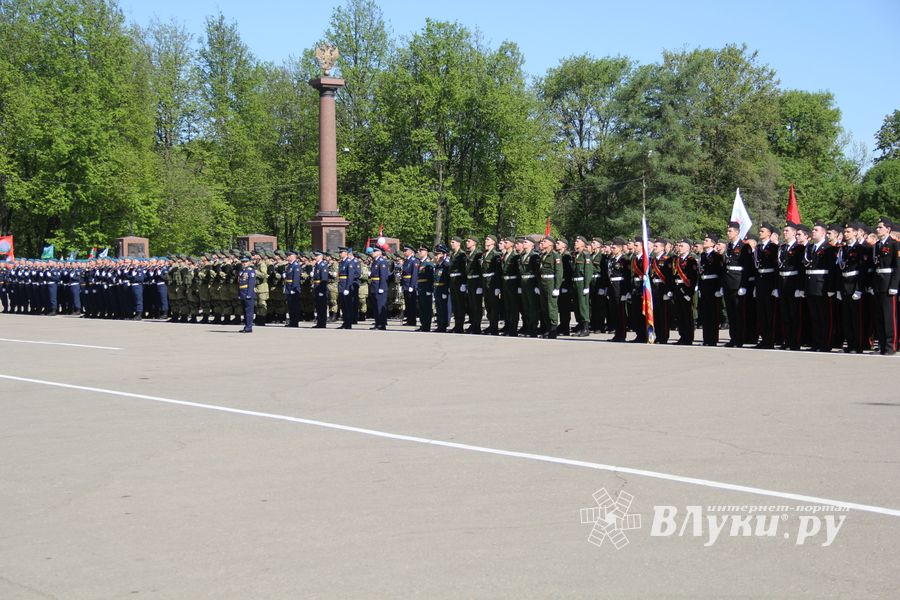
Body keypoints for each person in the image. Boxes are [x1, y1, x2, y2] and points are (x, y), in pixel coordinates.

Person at [803, 222, 835, 351]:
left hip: (822, 286)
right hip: (811, 286)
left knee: (824, 317)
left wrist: (831, 288)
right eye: (813, 230)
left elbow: (832, 270)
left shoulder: (829, 248)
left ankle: (825, 344)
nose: (813, 232)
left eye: (816, 230)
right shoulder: (809, 248)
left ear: (823, 232)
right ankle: (816, 343)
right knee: (814, 317)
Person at [871, 217, 899, 355]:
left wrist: (894, 285)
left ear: (888, 229)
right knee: (879, 316)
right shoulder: (876, 245)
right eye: (877, 227)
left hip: (888, 283)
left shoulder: (894, 244)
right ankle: (881, 345)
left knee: (889, 317)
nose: (877, 229)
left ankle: (890, 346)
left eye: (880, 227)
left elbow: (897, 267)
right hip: (878, 283)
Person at [723, 221, 753, 347]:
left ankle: (740, 339)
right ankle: (733, 338)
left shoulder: (744, 247)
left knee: (739, 313)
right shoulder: (728, 246)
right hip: (728, 283)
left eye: (730, 231)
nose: (728, 233)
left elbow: (747, 267)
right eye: (728, 230)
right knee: (731, 313)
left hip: (738, 282)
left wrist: (744, 285)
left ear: (737, 232)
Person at [754, 223, 780, 349]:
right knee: (761, 313)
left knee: (770, 312)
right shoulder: (758, 248)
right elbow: (756, 268)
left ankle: (770, 339)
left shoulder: (774, 248)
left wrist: (776, 286)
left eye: (762, 231)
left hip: (770, 281)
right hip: (760, 281)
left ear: (769, 233)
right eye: (760, 231)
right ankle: (763, 338)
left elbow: (776, 268)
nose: (760, 233)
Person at [699, 234, 725, 346]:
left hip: (713, 286)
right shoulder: (703, 255)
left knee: (713, 314)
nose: (704, 242)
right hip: (704, 285)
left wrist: (720, 288)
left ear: (713, 243)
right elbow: (700, 272)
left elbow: (721, 273)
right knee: (705, 313)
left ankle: (713, 339)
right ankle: (706, 339)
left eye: (706, 240)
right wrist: (699, 287)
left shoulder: (717, 256)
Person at [537, 235, 563, 339]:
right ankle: (547, 329)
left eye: (545, 242)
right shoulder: (543, 255)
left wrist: (557, 287)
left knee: (551, 307)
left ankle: (553, 330)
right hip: (543, 282)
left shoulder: (555, 255)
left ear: (550, 244)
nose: (542, 243)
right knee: (544, 307)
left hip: (551, 282)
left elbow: (559, 272)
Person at [571, 236, 593, 337]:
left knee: (583, 306)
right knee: (576, 306)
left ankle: (585, 328)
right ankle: (580, 326)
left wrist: (586, 286)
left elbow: (588, 272)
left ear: (583, 244)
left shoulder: (585, 255)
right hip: (575, 283)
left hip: (582, 282)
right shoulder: (576, 255)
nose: (575, 243)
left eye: (577, 241)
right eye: (575, 241)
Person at [481, 235, 502, 335]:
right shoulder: (484, 254)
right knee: (488, 305)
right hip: (485, 281)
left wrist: (497, 286)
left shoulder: (495, 254)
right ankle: (491, 324)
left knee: (494, 306)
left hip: (492, 282)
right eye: (485, 239)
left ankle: (494, 327)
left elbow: (498, 272)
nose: (485, 241)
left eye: (488, 240)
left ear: (493, 242)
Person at [463, 235, 483, 334]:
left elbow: (480, 270)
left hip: (476, 281)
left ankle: (477, 326)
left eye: (469, 241)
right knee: (471, 305)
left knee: (477, 305)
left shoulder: (478, 254)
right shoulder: (469, 254)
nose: (467, 242)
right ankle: (473, 324)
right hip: (470, 281)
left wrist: (479, 285)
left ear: (474, 243)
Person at [448, 237, 467, 333]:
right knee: (455, 305)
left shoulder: (462, 254)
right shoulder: (452, 254)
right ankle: (456, 325)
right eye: (451, 242)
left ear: (459, 243)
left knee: (460, 305)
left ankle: (460, 326)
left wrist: (463, 283)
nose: (451, 244)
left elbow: (464, 270)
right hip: (453, 281)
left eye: (453, 242)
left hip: (459, 281)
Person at [337, 247, 360, 330]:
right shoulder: (342, 262)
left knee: (348, 306)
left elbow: (350, 276)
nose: (340, 254)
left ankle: (348, 323)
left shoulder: (349, 262)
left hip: (346, 286)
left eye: (341, 252)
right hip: (341, 285)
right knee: (343, 305)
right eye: (339, 253)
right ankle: (345, 322)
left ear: (346, 253)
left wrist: (347, 288)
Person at [369, 245, 389, 330]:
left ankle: (382, 324)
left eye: (375, 251)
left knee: (380, 306)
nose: (373, 253)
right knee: (376, 306)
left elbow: (383, 276)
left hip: (379, 286)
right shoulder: (375, 261)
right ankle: (377, 323)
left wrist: (381, 287)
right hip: (374, 285)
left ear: (379, 252)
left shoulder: (382, 261)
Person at [415, 245, 435, 332]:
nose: (420, 252)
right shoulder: (421, 262)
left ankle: (426, 326)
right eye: (419, 251)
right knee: (422, 307)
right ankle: (423, 324)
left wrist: (428, 290)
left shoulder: (428, 263)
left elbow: (430, 278)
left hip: (425, 288)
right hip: (420, 287)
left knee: (426, 308)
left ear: (426, 252)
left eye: (422, 251)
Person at [433, 245, 451, 332]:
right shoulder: (438, 266)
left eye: (438, 254)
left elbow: (447, 279)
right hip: (437, 289)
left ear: (444, 254)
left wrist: (445, 291)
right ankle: (440, 325)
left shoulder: (446, 265)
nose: (436, 256)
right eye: (435, 254)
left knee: (443, 308)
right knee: (438, 308)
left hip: (443, 288)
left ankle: (443, 325)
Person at [400, 245, 418, 327]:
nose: (404, 252)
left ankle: (412, 320)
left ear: (411, 251)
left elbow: (414, 274)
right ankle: (409, 320)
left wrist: (412, 285)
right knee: (408, 303)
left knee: (411, 304)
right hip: (405, 284)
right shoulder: (407, 260)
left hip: (410, 284)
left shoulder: (413, 261)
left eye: (406, 251)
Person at [238, 256, 256, 333]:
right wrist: (239, 294)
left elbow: (251, 284)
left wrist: (249, 294)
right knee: (244, 311)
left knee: (249, 311)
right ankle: (246, 326)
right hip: (242, 292)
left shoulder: (251, 271)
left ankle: (249, 327)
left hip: (248, 293)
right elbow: (239, 284)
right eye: (243, 262)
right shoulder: (241, 271)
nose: (244, 263)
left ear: (249, 262)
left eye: (246, 262)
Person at [284, 250, 301, 327]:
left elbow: (296, 279)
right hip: (288, 287)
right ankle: (292, 321)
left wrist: (294, 289)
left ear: (292, 256)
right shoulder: (289, 265)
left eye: (288, 256)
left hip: (293, 288)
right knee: (290, 306)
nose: (287, 257)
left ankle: (295, 322)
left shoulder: (296, 265)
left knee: (294, 307)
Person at [312, 250, 329, 328]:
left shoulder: (323, 265)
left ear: (321, 256)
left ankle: (322, 323)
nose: (315, 257)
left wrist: (322, 291)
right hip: (316, 287)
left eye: (317, 256)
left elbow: (324, 279)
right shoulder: (317, 265)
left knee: (322, 307)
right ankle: (319, 322)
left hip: (320, 288)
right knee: (318, 306)